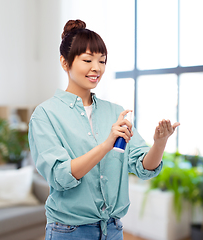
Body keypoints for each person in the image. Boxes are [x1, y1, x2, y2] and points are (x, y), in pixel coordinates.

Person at [28, 19, 180, 240]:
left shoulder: (115, 112)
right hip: (69, 231)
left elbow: (142, 167)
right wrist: (106, 145)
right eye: (87, 60)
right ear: (64, 62)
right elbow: (60, 175)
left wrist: (159, 143)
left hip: (113, 229)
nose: (96, 68)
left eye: (102, 61)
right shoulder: (45, 115)